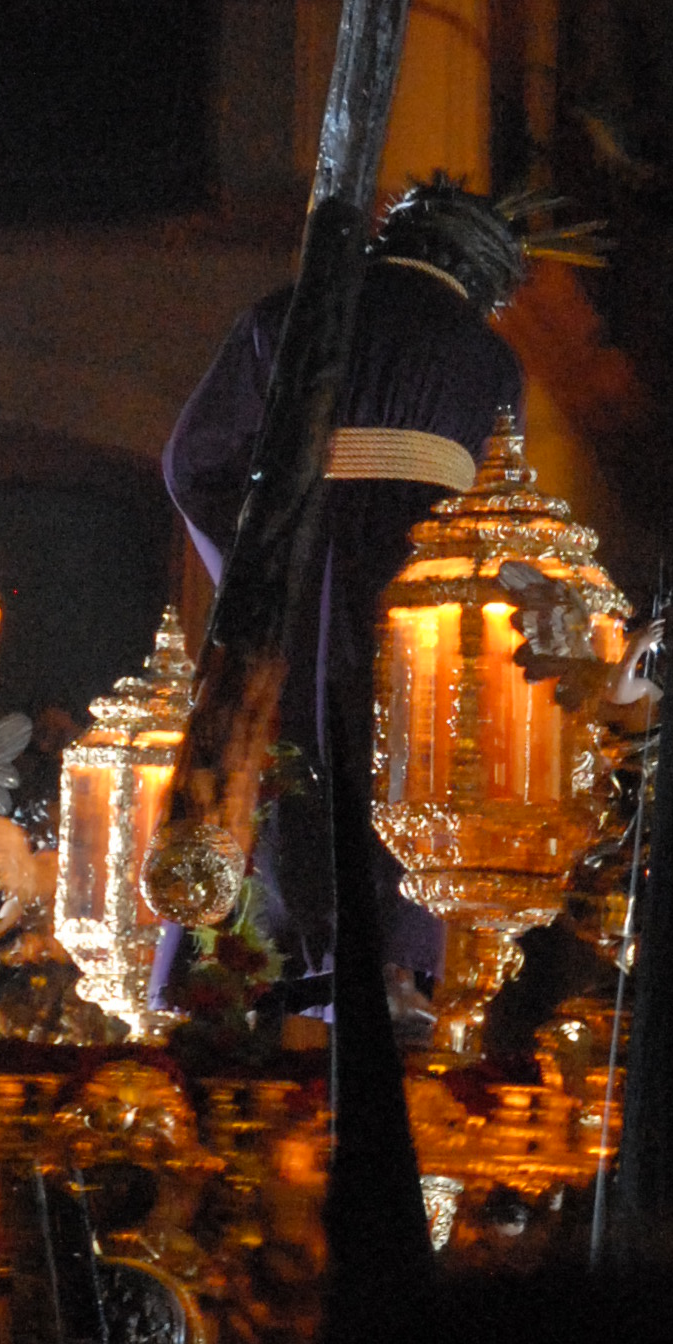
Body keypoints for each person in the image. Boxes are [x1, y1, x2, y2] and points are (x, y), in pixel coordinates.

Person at [161, 175, 526, 1012]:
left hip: (299, 575)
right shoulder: (494, 361)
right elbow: (508, 510)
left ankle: (242, 975)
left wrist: (255, 565)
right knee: (414, 763)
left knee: (268, 752)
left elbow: (193, 463)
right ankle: (397, 968)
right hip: (434, 601)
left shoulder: (287, 315)